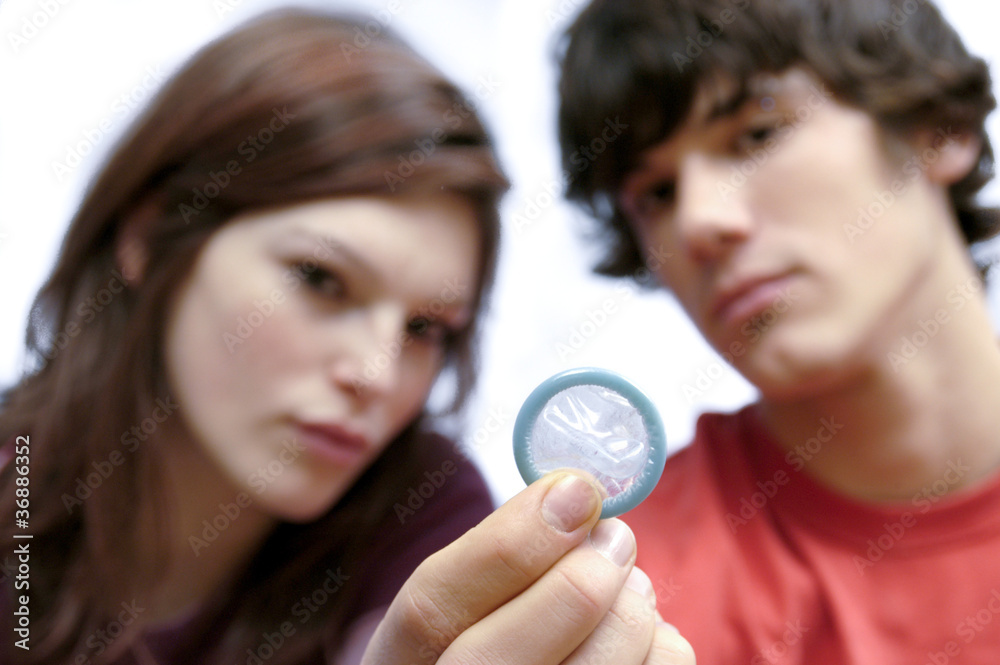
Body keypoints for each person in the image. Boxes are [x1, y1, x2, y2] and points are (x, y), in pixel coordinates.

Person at [0, 8, 694, 665]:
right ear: (151, 236)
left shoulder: (425, 510)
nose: (376, 374)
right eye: (321, 279)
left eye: (426, 327)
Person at [556, 0, 1000, 662]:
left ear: (938, 127)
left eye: (757, 134)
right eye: (656, 194)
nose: (698, 222)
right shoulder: (621, 597)